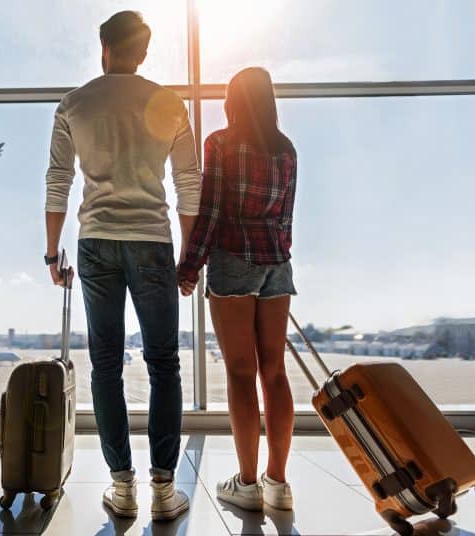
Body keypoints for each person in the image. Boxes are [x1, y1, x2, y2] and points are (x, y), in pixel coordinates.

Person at [44, 10, 201, 521]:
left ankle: (122, 487)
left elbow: (58, 182)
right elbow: (189, 184)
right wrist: (188, 256)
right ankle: (162, 488)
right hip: (152, 241)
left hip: (96, 243)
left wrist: (52, 252)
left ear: (104, 48)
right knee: (164, 365)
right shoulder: (171, 104)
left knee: (106, 366)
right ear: (145, 52)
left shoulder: (74, 104)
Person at [178, 67, 298, 511]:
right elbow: (286, 218)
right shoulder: (287, 150)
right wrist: (275, 259)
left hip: (232, 261)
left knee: (240, 373)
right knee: (275, 372)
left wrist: (190, 266)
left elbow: (209, 211)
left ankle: (246, 485)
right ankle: (278, 484)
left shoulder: (221, 143)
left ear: (233, 100)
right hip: (277, 265)